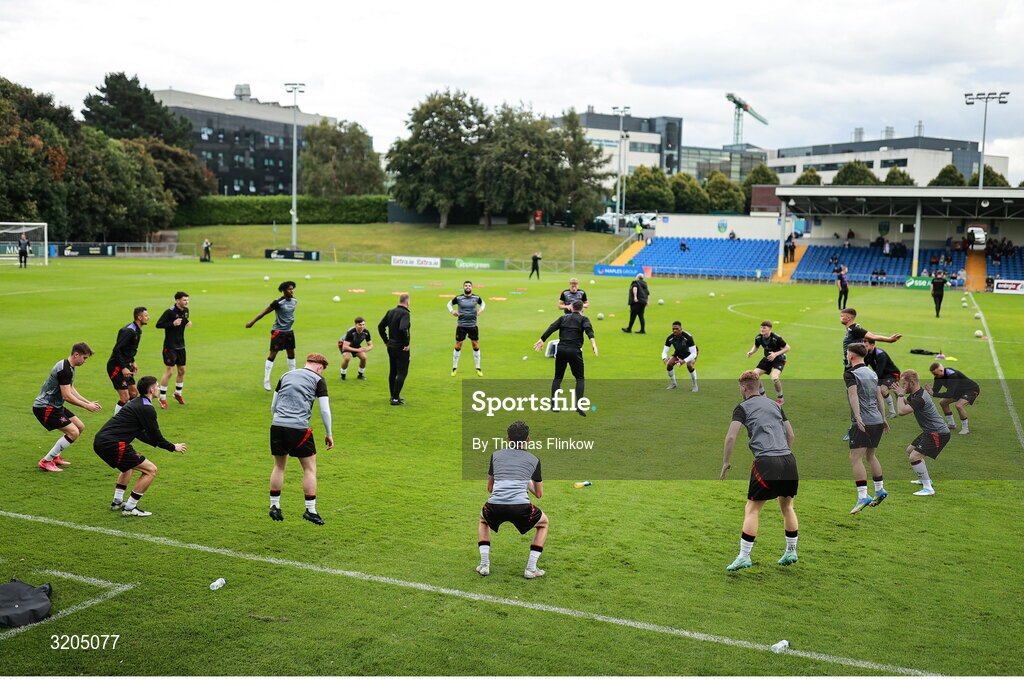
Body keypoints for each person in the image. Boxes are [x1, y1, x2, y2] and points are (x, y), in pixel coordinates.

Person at [719, 370, 799, 571]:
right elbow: (791, 434)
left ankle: (744, 556)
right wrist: (783, 453)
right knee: (787, 507)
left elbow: (730, 437)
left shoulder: (742, 408)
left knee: (752, 509)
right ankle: (791, 551)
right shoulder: (774, 404)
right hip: (788, 460)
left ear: (744, 387)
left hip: (766, 462)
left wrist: (726, 462)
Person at [92, 375, 186, 517]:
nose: (159, 388)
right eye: (157, 386)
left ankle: (117, 501)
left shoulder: (136, 402)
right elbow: (156, 437)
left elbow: (141, 434)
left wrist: (158, 443)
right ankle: (130, 508)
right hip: (113, 444)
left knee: (128, 466)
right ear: (151, 389)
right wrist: (173, 447)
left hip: (101, 441)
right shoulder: (147, 409)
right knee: (151, 470)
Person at [476, 420, 548, 579]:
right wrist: (525, 479)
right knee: (543, 523)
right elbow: (539, 494)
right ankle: (531, 568)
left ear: (507, 439)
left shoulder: (495, 456)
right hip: (521, 508)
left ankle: (484, 565)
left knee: (483, 520)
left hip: (495, 505)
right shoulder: (534, 460)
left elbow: (490, 488)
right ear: (528, 439)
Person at [269, 353, 333, 525]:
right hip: (298, 429)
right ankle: (310, 510)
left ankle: (274, 505)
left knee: (279, 466)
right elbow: (325, 410)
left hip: (277, 426)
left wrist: (279, 420)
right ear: (320, 367)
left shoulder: (285, 375)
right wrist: (329, 433)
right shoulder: (318, 380)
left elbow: (273, 406)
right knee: (310, 469)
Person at [33, 342, 103, 472]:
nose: (85, 361)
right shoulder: (64, 369)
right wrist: (86, 406)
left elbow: (70, 388)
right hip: (45, 407)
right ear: (76, 354)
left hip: (55, 405)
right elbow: (67, 396)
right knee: (73, 432)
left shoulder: (68, 366)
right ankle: (46, 461)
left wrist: (88, 402)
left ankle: (55, 457)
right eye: (85, 358)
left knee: (80, 427)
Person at [845, 343, 889, 514]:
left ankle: (863, 495)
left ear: (852, 356)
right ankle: (880, 489)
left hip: (864, 422)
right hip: (877, 420)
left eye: (848, 353)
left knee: (855, 458)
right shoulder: (872, 372)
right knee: (871, 455)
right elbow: (879, 396)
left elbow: (853, 395)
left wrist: (857, 417)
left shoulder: (851, 373)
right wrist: (883, 418)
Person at [891, 370, 950, 497]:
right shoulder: (916, 394)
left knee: (914, 457)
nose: (903, 386)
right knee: (910, 450)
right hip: (930, 431)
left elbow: (901, 411)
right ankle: (925, 479)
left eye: (904, 384)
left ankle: (928, 488)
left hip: (937, 432)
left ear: (911, 382)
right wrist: (899, 394)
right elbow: (906, 402)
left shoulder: (920, 397)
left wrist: (900, 395)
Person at [534, 300, 597, 417]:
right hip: (575, 351)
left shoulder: (563, 318)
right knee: (580, 378)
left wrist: (542, 340)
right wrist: (593, 344)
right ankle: (579, 406)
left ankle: (554, 405)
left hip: (561, 350)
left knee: (558, 378)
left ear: (571, 308)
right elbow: (589, 331)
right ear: (582, 309)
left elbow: (552, 327)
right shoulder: (584, 319)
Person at [246, 281, 298, 391]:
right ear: (284, 290)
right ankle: (266, 379)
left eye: (292, 288)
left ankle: (293, 377)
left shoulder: (294, 301)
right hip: (278, 332)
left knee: (291, 353)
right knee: (273, 355)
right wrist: (252, 322)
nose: (291, 291)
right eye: (289, 289)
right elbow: (263, 313)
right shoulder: (278, 302)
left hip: (289, 332)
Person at [107, 306, 148, 414]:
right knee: (125, 397)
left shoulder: (138, 330)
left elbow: (129, 349)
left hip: (126, 364)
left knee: (134, 393)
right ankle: (117, 423)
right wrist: (123, 367)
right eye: (146, 315)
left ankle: (128, 417)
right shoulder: (128, 331)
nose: (148, 317)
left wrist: (133, 361)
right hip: (116, 366)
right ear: (139, 317)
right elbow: (117, 350)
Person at [155, 291, 191, 408]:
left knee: (182, 371)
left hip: (181, 345)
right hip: (170, 346)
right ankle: (162, 398)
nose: (186, 302)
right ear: (177, 301)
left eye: (187, 300)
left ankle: (177, 394)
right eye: (184, 300)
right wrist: (172, 323)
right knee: (170, 371)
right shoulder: (170, 312)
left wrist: (187, 322)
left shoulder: (185, 311)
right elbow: (159, 324)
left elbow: (183, 320)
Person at [378, 293, 411, 405]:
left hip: (391, 346)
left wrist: (386, 341)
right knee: (402, 372)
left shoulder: (390, 311)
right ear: (407, 302)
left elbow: (380, 326)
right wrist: (406, 343)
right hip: (401, 347)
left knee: (393, 371)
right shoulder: (405, 313)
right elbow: (403, 328)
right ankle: (395, 399)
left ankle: (393, 395)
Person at [746, 320, 790, 404]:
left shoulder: (776, 338)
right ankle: (763, 396)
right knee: (755, 375)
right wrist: (751, 352)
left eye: (764, 328)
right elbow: (756, 346)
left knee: (774, 377)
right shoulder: (759, 337)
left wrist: (775, 354)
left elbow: (787, 348)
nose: (762, 329)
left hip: (779, 359)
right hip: (767, 358)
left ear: (769, 329)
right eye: (761, 328)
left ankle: (780, 398)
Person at [929, 363, 980, 435]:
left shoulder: (952, 376)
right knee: (943, 402)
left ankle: (965, 429)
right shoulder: (938, 377)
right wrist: (928, 391)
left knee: (959, 405)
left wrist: (933, 394)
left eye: (936, 374)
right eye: (933, 374)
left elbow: (949, 394)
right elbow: (935, 391)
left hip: (971, 389)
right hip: (958, 390)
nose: (935, 376)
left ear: (941, 370)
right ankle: (951, 424)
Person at [448, 281, 485, 376]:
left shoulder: (476, 298)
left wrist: (480, 310)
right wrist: (452, 311)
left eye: (469, 286)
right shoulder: (459, 298)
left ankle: (478, 368)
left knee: (475, 345)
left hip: (473, 325)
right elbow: (449, 304)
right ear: (463, 287)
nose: (467, 287)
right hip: (461, 325)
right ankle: (454, 367)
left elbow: (483, 303)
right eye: (466, 286)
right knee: (458, 345)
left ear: (472, 287)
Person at [662, 321, 698, 391]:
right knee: (669, 364)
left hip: (690, 354)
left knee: (689, 365)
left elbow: (694, 353)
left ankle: (695, 385)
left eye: (677, 329)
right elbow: (664, 351)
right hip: (678, 354)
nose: (675, 330)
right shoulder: (670, 338)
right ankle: (673, 383)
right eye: (673, 329)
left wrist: (684, 361)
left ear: (681, 329)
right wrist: (664, 358)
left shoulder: (688, 337)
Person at [338, 317, 373, 381]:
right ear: (355, 325)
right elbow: (345, 347)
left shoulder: (366, 332)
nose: (362, 326)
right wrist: (358, 350)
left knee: (364, 357)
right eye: (360, 325)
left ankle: (360, 375)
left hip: (355, 345)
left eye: (363, 324)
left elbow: (371, 345)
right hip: (343, 344)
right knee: (347, 358)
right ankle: (343, 376)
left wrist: (367, 349)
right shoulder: (351, 332)